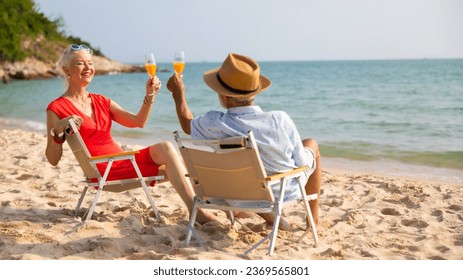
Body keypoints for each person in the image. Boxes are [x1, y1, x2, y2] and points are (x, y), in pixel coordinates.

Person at [45, 44, 216, 224]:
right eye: (81, 63)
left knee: (180, 165)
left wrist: (150, 96)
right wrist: (57, 131)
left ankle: (210, 207)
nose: (88, 68)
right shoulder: (56, 108)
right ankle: (200, 212)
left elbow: (138, 122)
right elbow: (52, 159)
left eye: (90, 63)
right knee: (169, 151)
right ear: (66, 70)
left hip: (123, 161)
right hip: (105, 169)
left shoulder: (101, 100)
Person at [167, 53, 322, 227]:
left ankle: (275, 218)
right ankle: (313, 221)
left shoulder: (213, 123)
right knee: (312, 145)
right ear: (254, 93)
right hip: (281, 191)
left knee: (251, 171)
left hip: (233, 191)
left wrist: (178, 94)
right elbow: (300, 163)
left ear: (225, 97)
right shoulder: (279, 119)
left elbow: (187, 125)